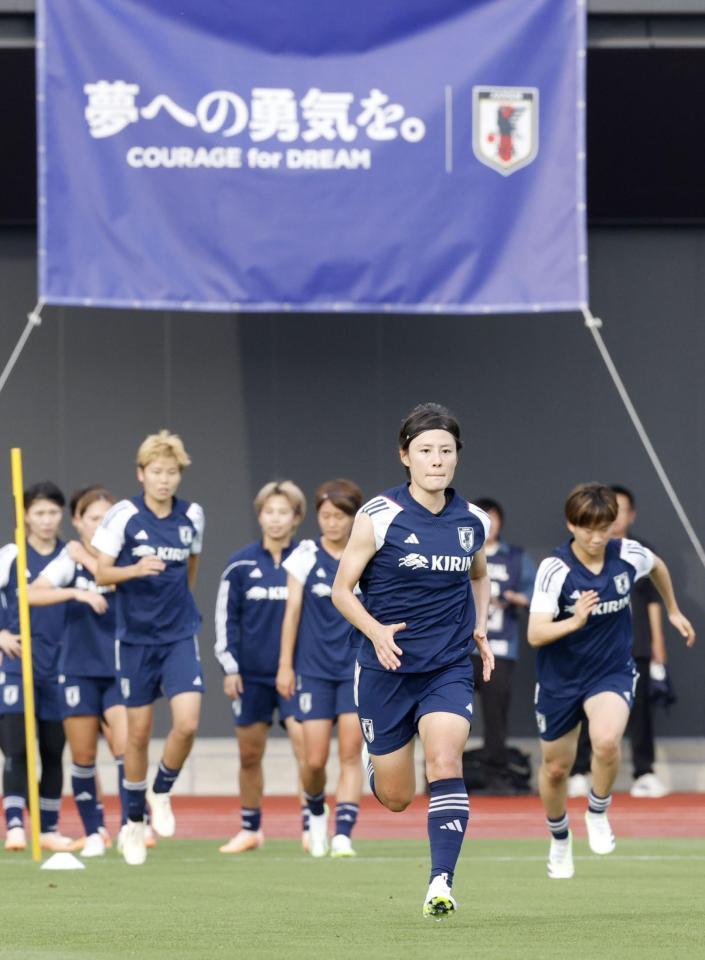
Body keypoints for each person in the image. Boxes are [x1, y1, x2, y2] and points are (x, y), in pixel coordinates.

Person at [331, 402, 493, 920]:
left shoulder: (474, 521)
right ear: (406, 456)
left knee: (445, 760)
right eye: (425, 451)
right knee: (398, 796)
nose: (437, 460)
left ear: (457, 458)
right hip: (387, 667)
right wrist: (375, 629)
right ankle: (378, 764)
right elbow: (341, 590)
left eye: (446, 451)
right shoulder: (379, 515)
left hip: (447, 664)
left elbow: (479, 575)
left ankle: (440, 882)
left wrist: (481, 626)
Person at [528, 482, 695, 880]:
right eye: (589, 528)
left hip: (611, 671)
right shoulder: (556, 569)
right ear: (572, 524)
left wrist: (671, 610)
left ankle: (598, 811)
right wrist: (575, 620)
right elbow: (535, 634)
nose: (598, 537)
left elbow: (657, 566)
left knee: (605, 741)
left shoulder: (628, 554)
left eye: (605, 527)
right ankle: (559, 839)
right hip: (561, 679)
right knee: (555, 769)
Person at [92, 430, 205, 866]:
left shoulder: (192, 514)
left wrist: (176, 608)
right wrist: (135, 569)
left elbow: (190, 566)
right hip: (134, 639)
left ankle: (162, 790)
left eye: (171, 472)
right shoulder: (124, 515)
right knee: (136, 735)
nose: (164, 480)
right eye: (156, 472)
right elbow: (101, 572)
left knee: (188, 722)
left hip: (178, 634)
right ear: (141, 474)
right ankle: (134, 823)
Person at [27, 487, 129, 857]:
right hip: (77, 668)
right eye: (92, 519)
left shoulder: (120, 554)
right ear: (78, 521)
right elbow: (31, 593)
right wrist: (75, 594)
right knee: (83, 755)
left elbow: (118, 581)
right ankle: (95, 831)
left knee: (125, 748)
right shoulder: (66, 560)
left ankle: (131, 825)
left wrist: (86, 557)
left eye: (106, 519)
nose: (99, 525)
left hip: (119, 667)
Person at [215, 480, 308, 853]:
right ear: (260, 516)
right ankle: (250, 828)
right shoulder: (239, 564)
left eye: (283, 512)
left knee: (308, 752)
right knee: (249, 754)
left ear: (297, 517)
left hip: (299, 674)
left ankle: (311, 825)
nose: (275, 519)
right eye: (269, 511)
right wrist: (230, 667)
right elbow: (226, 620)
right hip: (250, 676)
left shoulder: (308, 559)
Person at [276, 479, 364, 859]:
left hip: (355, 669)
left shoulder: (366, 555)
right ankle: (314, 813)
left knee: (350, 753)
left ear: (353, 518)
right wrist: (285, 665)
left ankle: (343, 832)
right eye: (325, 516)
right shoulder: (305, 555)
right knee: (313, 760)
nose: (331, 523)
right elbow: (291, 612)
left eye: (339, 516)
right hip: (312, 670)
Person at [568, 485, 671, 800]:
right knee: (587, 714)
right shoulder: (580, 552)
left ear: (630, 515)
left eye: (622, 509)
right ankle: (579, 771)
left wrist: (658, 647)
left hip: (633, 646)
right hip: (591, 649)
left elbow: (654, 601)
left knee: (640, 713)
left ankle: (645, 772)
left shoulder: (639, 552)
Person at [0, 481, 75, 852]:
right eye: (39, 512)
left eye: (52, 512)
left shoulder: (69, 557)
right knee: (16, 749)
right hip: (17, 665)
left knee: (52, 750)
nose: (46, 520)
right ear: (26, 515)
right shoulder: (12, 556)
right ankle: (15, 825)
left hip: (59, 668)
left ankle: (48, 828)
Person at [471, 497, 535, 788]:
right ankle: (442, 769)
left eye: (493, 517)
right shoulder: (462, 551)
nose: (489, 523)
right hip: (462, 646)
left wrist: (514, 598)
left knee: (496, 709)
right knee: (446, 709)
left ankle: (495, 771)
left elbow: (536, 595)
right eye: (484, 516)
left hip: (499, 646)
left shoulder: (515, 557)